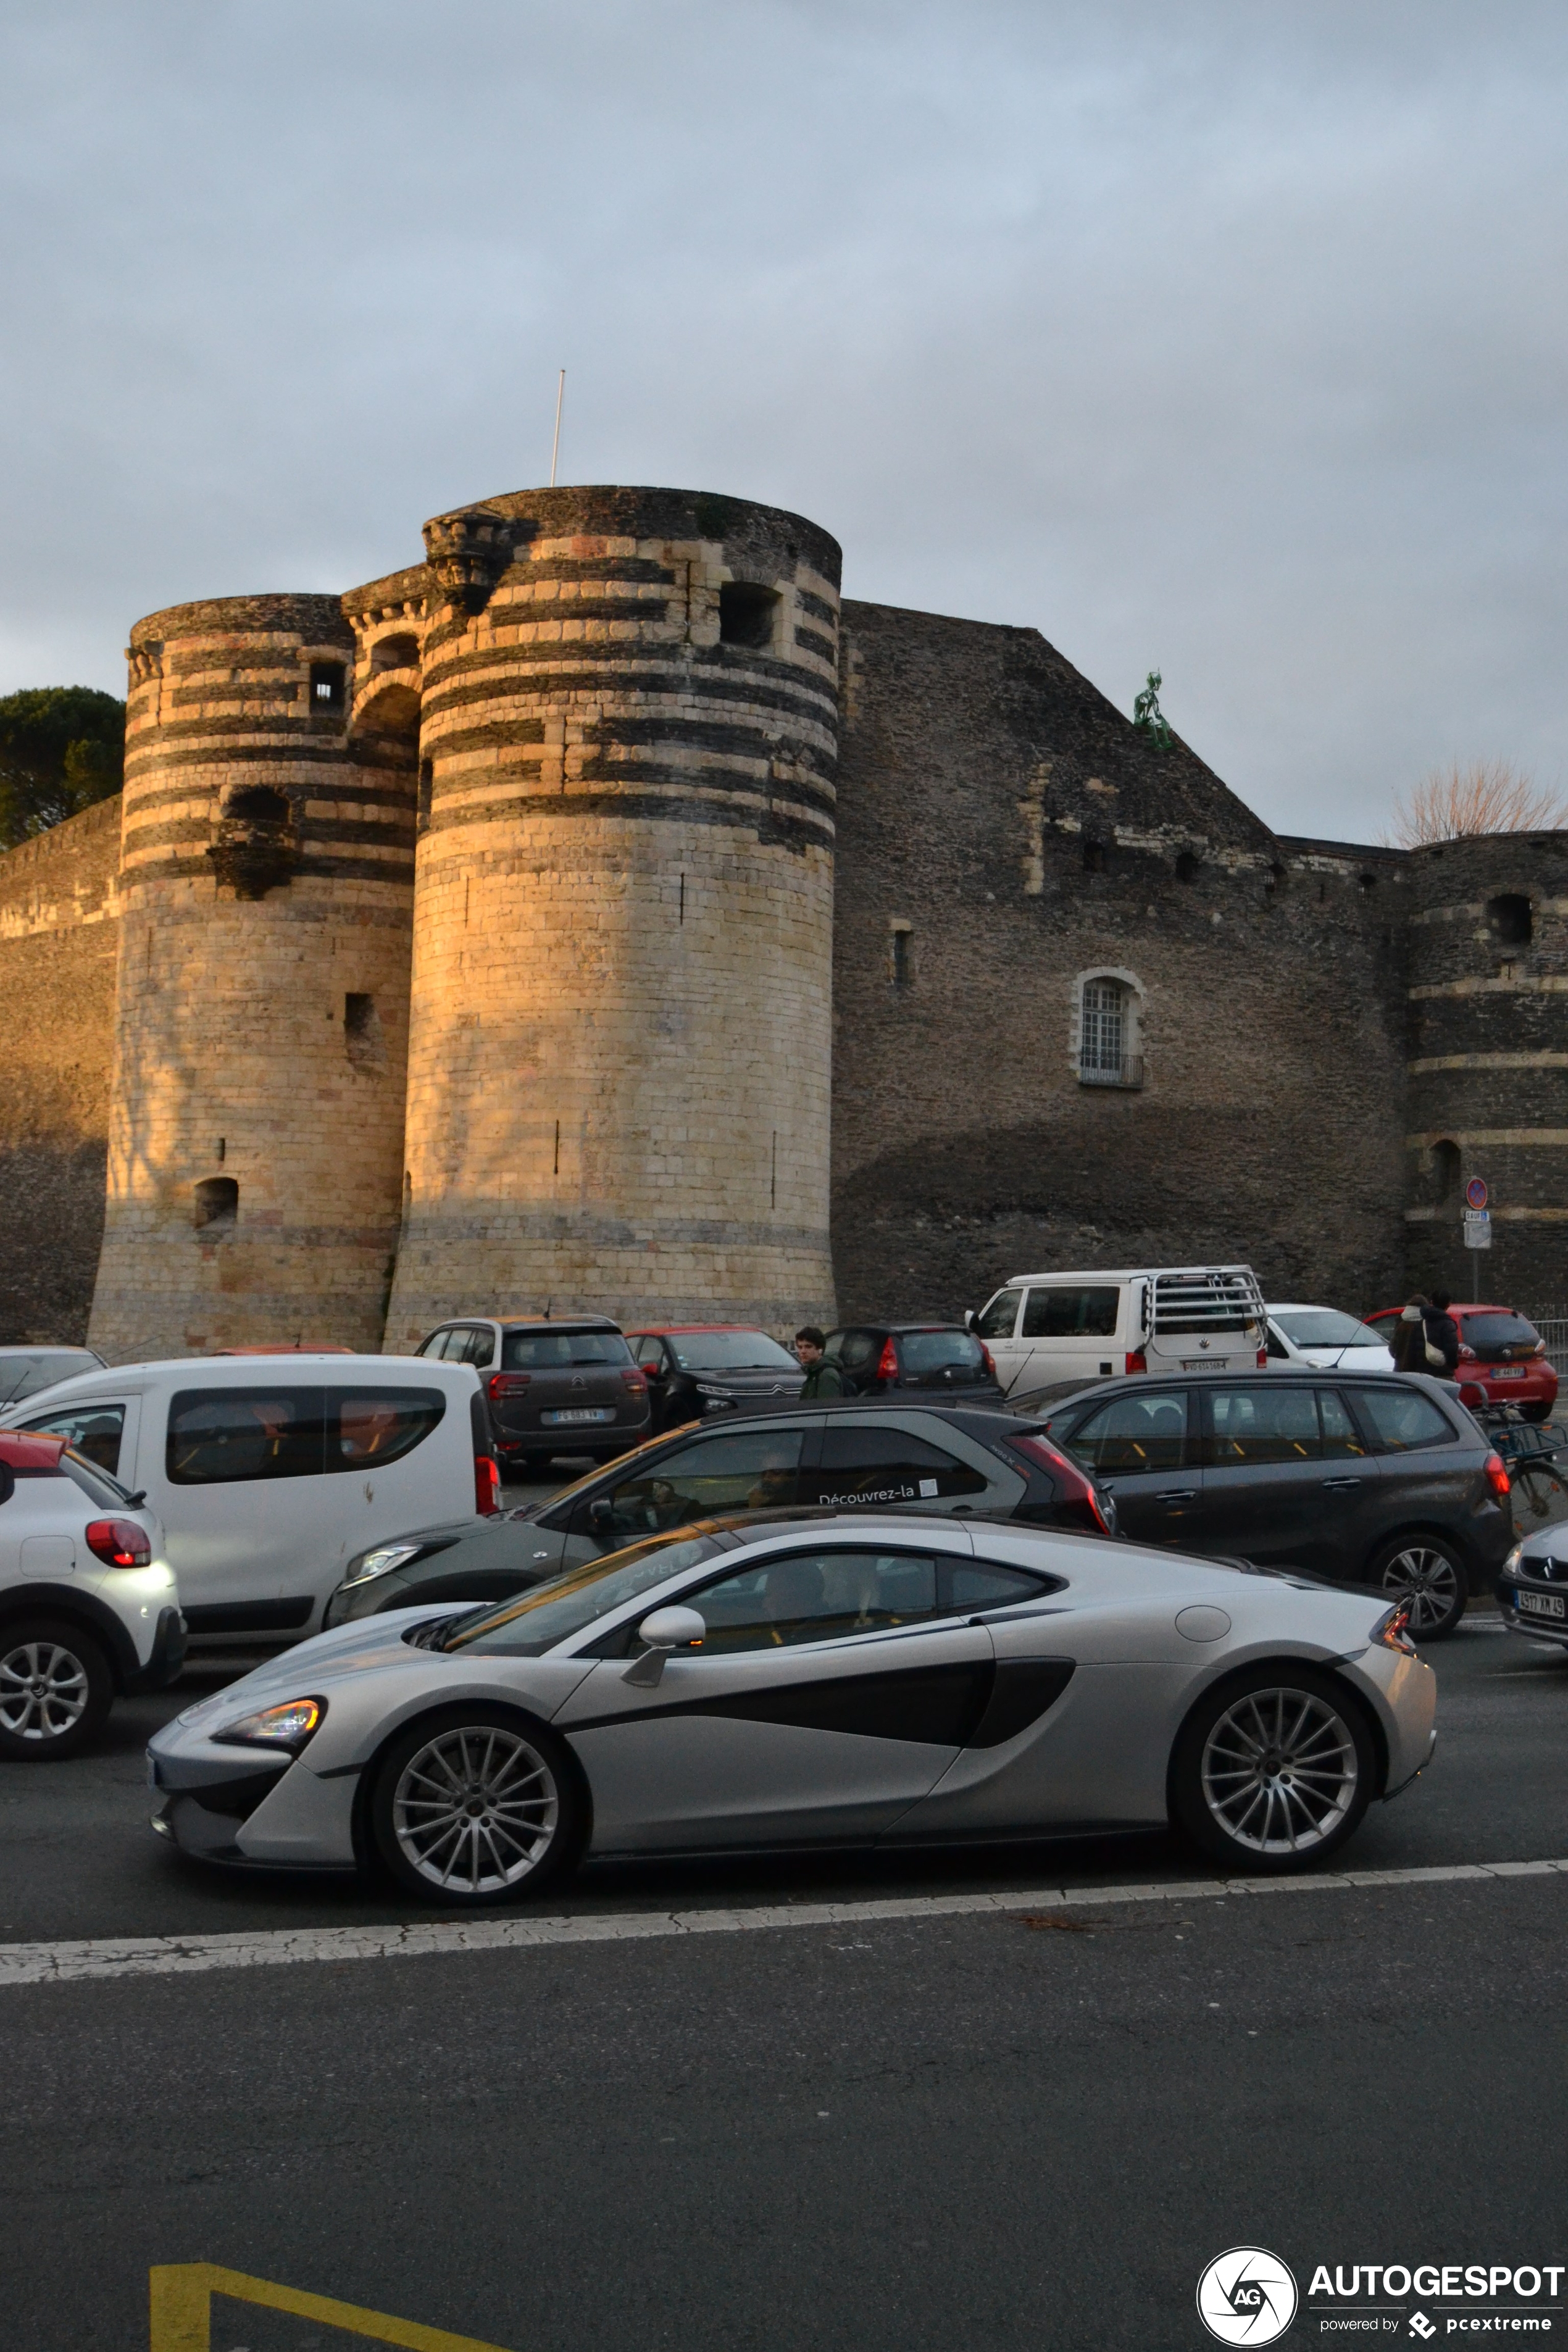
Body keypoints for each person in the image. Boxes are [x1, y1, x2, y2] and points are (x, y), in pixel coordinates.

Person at [794, 1326, 845, 1398]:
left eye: (808, 1347)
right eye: (800, 1347)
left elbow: (827, 1407)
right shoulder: (813, 1372)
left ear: (820, 1349)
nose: (803, 1351)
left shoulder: (826, 1375)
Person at [1391, 1295, 1435, 1374]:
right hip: (1421, 1371)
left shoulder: (1401, 1323)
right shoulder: (1427, 1324)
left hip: (1401, 1369)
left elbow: (1392, 1349)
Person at [1424, 1290, 1462, 1377]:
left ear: (1432, 1302)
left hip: (1424, 1371)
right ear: (1448, 1304)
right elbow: (1452, 1349)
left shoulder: (1423, 1320)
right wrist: (1453, 1365)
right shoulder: (1447, 1324)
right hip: (1443, 1371)